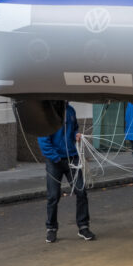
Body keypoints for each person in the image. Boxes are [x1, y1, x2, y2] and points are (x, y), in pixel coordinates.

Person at [37, 102, 94, 242]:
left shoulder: (70, 110)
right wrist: (55, 158)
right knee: (53, 196)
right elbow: (43, 139)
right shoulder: (48, 113)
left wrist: (76, 135)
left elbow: (74, 128)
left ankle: (83, 227)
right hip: (54, 161)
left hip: (72, 158)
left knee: (81, 191)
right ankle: (51, 228)